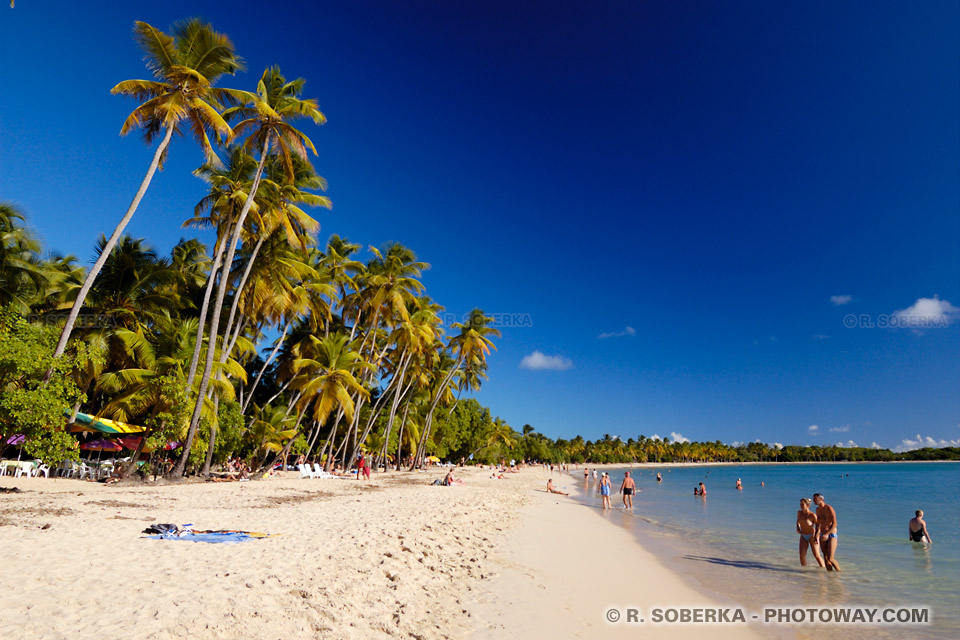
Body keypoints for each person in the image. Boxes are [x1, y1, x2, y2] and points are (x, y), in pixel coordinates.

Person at [813, 493, 840, 572]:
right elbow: (818, 523)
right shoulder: (817, 510)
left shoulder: (829, 508)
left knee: (830, 558)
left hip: (831, 534)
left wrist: (827, 534)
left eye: (815, 499)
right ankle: (830, 577)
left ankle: (839, 574)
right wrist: (816, 534)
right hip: (822, 534)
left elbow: (835, 523)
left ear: (821, 499)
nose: (814, 501)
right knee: (825, 558)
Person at [796, 498, 825, 567]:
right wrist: (797, 528)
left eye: (803, 504)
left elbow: (818, 526)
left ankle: (823, 568)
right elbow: (797, 522)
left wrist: (817, 536)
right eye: (800, 504)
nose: (801, 506)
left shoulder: (812, 515)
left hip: (812, 535)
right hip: (803, 535)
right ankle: (803, 571)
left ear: (807, 505)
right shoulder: (799, 513)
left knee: (816, 555)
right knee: (802, 555)